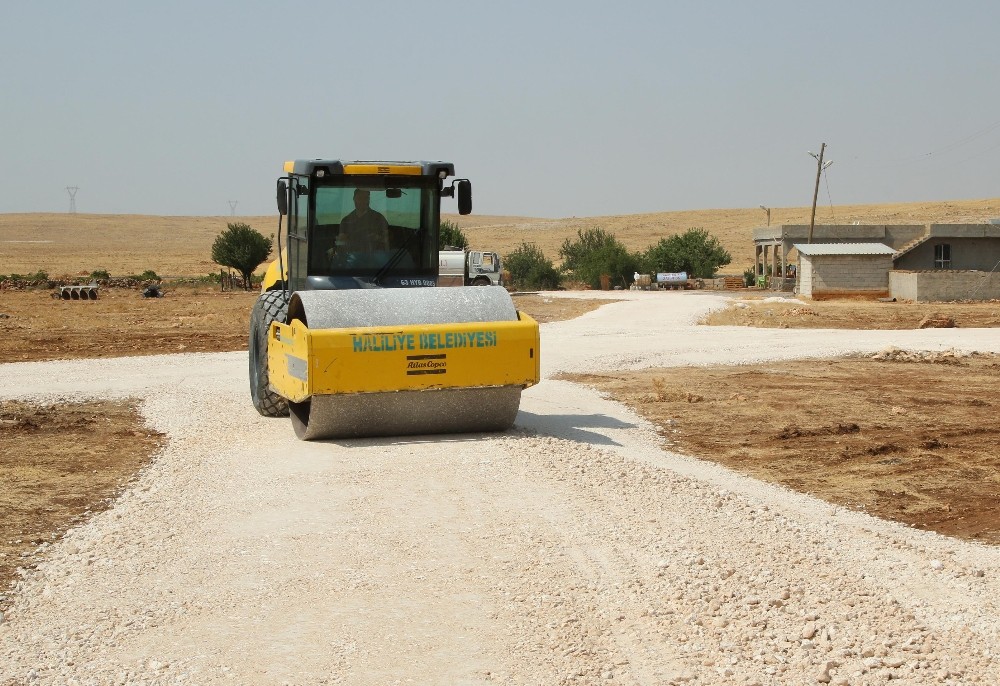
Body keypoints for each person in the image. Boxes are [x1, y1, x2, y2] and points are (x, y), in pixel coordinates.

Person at [338, 189, 389, 254]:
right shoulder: (346, 221)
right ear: (354, 199)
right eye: (359, 198)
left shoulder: (379, 218)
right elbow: (342, 244)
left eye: (366, 198)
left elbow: (387, 239)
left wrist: (376, 237)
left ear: (369, 199)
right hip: (353, 257)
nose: (363, 201)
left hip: (375, 257)